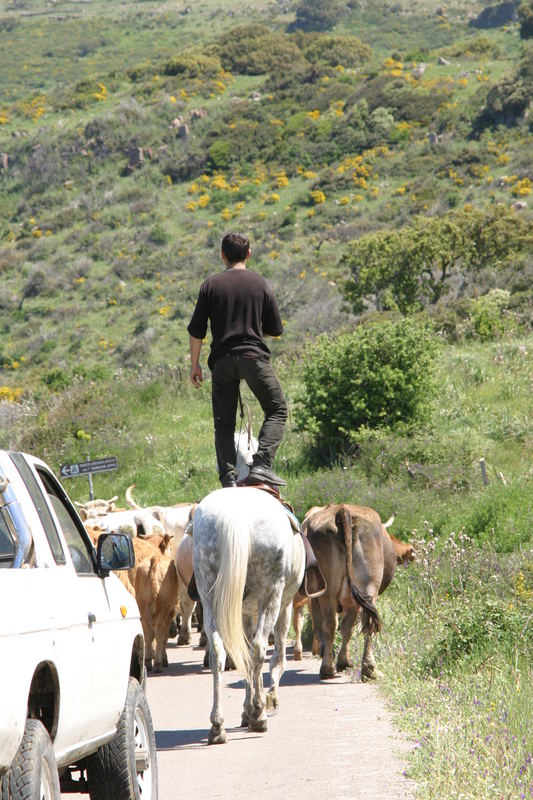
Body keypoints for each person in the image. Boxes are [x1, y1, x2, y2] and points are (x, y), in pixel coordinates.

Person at [187, 231, 288, 488]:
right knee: (277, 409)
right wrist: (252, 328)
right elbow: (275, 329)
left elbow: (196, 330)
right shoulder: (261, 284)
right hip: (253, 357)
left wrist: (195, 365)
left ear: (223, 255)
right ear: (249, 254)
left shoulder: (210, 286)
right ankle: (262, 464)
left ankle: (229, 479)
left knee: (223, 424)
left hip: (221, 362)